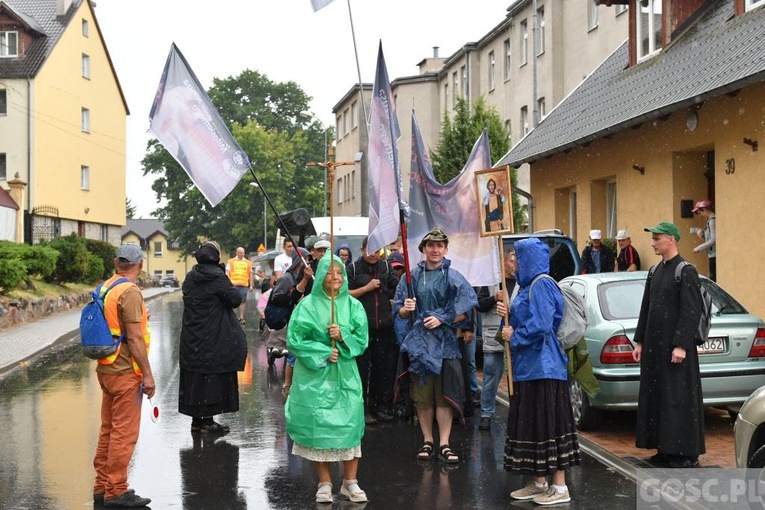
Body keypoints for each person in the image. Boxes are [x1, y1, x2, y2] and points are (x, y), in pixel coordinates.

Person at [285, 254, 370, 504]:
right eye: (331, 272)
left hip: (345, 375)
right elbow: (295, 341)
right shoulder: (306, 306)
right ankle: (324, 483)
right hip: (315, 377)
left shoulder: (354, 306)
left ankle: (350, 482)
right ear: (321, 275)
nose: (336, 277)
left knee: (350, 425)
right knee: (319, 428)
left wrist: (343, 336)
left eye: (340, 273)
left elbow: (362, 340)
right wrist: (323, 350)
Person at [503, 238, 580, 505]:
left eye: (517, 257)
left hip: (545, 368)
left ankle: (559, 488)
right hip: (529, 367)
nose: (514, 262)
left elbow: (541, 325)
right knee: (535, 426)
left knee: (550, 426)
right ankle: (539, 482)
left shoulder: (543, 283)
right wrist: (508, 316)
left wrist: (514, 335)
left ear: (530, 259)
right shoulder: (526, 286)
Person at [392, 227, 478, 464]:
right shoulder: (410, 277)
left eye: (440, 246)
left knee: (445, 396)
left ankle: (445, 443)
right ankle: (428, 440)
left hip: (446, 347)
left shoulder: (454, 276)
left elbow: (466, 309)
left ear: (446, 249)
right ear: (423, 249)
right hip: (420, 346)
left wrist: (443, 317)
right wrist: (405, 308)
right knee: (423, 397)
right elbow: (398, 310)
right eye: (431, 245)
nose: (435, 250)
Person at [633, 222, 705, 468]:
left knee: (678, 400)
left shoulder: (686, 271)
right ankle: (665, 448)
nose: (652, 243)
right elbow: (646, 308)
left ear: (671, 240)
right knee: (659, 398)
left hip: (676, 350)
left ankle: (685, 453)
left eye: (657, 238)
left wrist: (681, 345)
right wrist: (640, 341)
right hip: (655, 349)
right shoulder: (654, 271)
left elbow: (691, 311)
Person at [92, 244, 155, 508]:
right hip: (125, 371)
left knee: (107, 430)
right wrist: (148, 375)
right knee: (123, 433)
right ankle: (116, 489)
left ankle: (101, 486)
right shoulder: (129, 291)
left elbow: (113, 323)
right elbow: (135, 338)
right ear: (139, 264)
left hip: (106, 368)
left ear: (117, 263)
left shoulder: (106, 286)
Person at [179, 241, 247, 435]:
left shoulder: (191, 276)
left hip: (193, 334)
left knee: (195, 376)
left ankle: (196, 421)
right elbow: (234, 300)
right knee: (211, 376)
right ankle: (208, 422)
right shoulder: (217, 277)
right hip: (213, 334)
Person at [348, 236, 400, 424]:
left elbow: (398, 288)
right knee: (362, 371)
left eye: (377, 250)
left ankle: (380, 407)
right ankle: (362, 410)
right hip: (362, 329)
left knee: (383, 370)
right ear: (362, 250)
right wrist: (367, 288)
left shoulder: (386, 267)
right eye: (369, 250)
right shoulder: (353, 269)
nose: (373, 254)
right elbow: (344, 293)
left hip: (384, 327)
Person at [474, 248, 517, 431]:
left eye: (517, 261)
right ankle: (486, 413)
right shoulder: (491, 282)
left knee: (516, 378)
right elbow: (479, 305)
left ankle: (516, 413)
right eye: (512, 260)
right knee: (491, 375)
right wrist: (494, 298)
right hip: (493, 338)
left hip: (515, 337)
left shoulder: (523, 283)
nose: (515, 265)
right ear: (504, 261)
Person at [226, 247, 254, 325]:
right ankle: (231, 316)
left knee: (243, 301)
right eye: (240, 252)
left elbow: (251, 274)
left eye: (243, 252)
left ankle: (241, 317)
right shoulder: (231, 261)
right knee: (232, 300)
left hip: (244, 285)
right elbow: (227, 273)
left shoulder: (248, 262)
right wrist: (227, 283)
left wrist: (251, 285)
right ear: (237, 253)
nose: (242, 254)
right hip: (233, 285)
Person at [692, 200, 716, 281]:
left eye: (700, 213)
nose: (700, 215)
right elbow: (707, 237)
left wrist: (699, 248)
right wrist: (698, 231)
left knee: (713, 279)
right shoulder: (709, 221)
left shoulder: (712, 221)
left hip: (714, 254)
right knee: (712, 278)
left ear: (705, 209)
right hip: (711, 254)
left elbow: (713, 240)